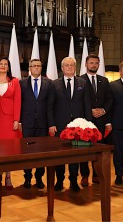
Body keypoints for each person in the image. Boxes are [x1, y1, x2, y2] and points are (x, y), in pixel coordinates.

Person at [48, 57, 92, 192]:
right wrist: (51, 124)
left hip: (78, 125)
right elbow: (49, 106)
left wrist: (88, 124)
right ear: (62, 68)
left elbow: (87, 105)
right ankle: (59, 181)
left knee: (75, 156)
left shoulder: (83, 83)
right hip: (59, 125)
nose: (69, 67)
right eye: (66, 65)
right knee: (59, 155)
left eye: (71, 65)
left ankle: (73, 180)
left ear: (75, 67)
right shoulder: (54, 84)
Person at [0, 57, 21, 190]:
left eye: (6, 64)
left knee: (8, 150)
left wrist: (16, 119)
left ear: (8, 67)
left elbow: (18, 101)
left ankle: (8, 177)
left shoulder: (14, 81)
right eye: (1, 64)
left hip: (9, 119)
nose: (3, 66)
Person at [19, 59, 53, 189]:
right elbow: (20, 104)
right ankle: (27, 177)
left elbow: (50, 105)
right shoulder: (21, 83)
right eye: (34, 66)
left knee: (41, 153)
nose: (36, 68)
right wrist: (20, 121)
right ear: (29, 68)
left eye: (39, 66)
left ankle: (39, 178)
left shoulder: (48, 83)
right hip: (27, 123)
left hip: (43, 124)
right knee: (27, 153)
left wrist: (50, 123)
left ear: (41, 68)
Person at [79, 54, 112, 186]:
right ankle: (85, 175)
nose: (94, 65)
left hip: (101, 120)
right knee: (84, 150)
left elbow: (110, 99)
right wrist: (90, 110)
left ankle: (97, 175)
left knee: (98, 149)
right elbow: (77, 101)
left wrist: (103, 110)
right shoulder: (79, 80)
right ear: (86, 65)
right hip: (85, 120)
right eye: (91, 63)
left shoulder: (104, 80)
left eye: (96, 63)